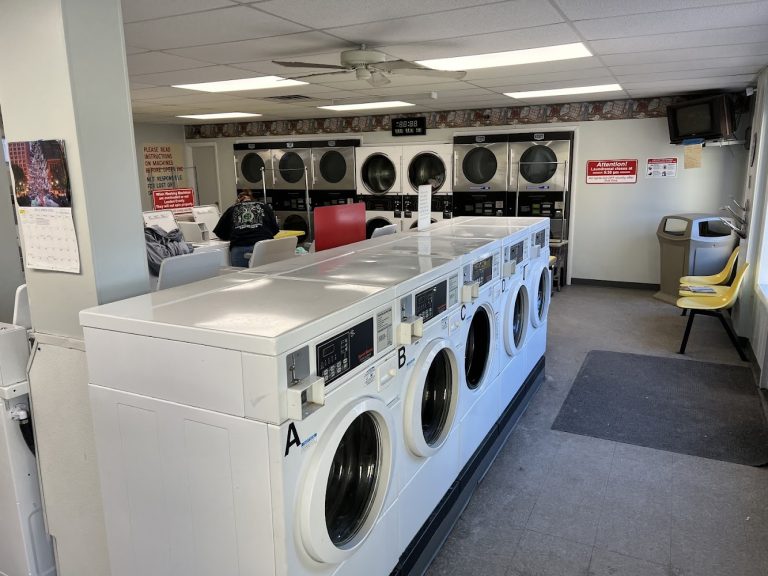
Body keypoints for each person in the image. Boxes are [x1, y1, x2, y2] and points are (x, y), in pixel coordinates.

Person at [213, 191, 280, 267]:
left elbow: (220, 233)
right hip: (263, 247)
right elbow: (275, 229)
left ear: (238, 200)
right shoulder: (264, 206)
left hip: (240, 247)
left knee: (243, 276)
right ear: (252, 199)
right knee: (265, 275)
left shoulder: (232, 208)